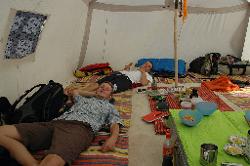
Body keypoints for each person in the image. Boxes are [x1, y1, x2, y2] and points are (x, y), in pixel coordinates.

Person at [0, 82, 122, 166]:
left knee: (51, 161)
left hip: (79, 128)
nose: (102, 88)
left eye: (106, 89)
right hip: (55, 123)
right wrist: (95, 93)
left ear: (111, 95)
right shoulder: (84, 99)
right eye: (101, 86)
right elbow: (74, 91)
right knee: (2, 132)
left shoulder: (110, 107)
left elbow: (115, 123)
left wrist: (112, 139)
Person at [65, 61, 153, 95]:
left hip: (126, 81)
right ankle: (79, 91)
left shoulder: (147, 75)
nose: (146, 65)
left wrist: (143, 72)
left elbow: (144, 83)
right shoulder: (134, 70)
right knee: (97, 84)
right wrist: (125, 69)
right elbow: (120, 71)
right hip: (117, 74)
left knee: (105, 89)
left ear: (150, 70)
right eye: (145, 63)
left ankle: (78, 93)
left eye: (148, 66)